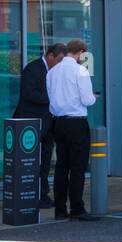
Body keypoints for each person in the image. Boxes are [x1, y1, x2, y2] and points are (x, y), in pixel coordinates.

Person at [46, 39, 98, 221]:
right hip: (76, 122)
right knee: (78, 167)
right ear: (82, 52)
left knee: (61, 166)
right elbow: (87, 100)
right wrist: (94, 97)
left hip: (58, 122)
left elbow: (51, 98)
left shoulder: (52, 72)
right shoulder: (80, 71)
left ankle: (60, 210)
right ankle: (77, 208)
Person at [14, 43, 66, 209]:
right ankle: (27, 194)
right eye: (58, 60)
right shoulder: (33, 68)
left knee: (45, 161)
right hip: (30, 123)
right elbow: (28, 94)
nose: (59, 64)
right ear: (50, 56)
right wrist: (52, 98)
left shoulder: (56, 72)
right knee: (30, 162)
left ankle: (43, 195)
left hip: (49, 123)